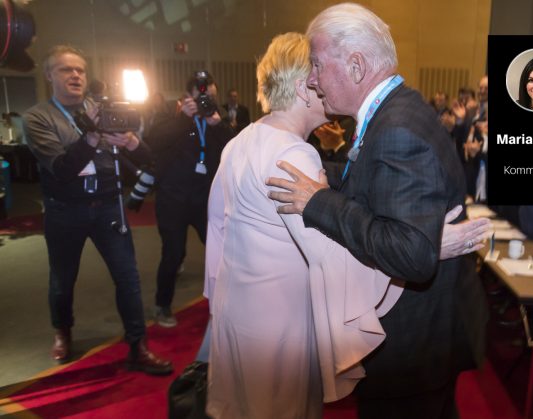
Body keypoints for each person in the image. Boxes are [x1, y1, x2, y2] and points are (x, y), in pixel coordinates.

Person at [266, 4, 491, 418]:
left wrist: (318, 202)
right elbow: (372, 177)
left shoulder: (397, 129)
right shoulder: (396, 109)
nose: (312, 79)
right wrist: (316, 170)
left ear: (355, 66)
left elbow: (410, 254)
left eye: (317, 65)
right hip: (429, 335)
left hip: (413, 345)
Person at [204, 32, 418, 418]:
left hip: (237, 314)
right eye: (324, 72)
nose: (333, 84)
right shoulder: (295, 153)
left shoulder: (241, 140)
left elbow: (217, 232)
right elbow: (331, 255)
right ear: (305, 86)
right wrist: (406, 249)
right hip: (277, 327)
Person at [22, 45, 172, 375]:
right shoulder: (37, 118)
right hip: (65, 211)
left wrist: (131, 142)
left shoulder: (103, 110)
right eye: (66, 70)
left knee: (128, 278)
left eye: (80, 70)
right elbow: (62, 169)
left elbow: (147, 158)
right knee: (62, 280)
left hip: (108, 207)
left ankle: (138, 346)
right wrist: (91, 136)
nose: (75, 75)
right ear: (49, 76)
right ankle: (63, 329)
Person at [144, 73, 233, 328]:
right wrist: (183, 118)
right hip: (173, 199)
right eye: (202, 97)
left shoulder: (215, 119)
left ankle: (228, 301)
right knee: (173, 253)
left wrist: (217, 124)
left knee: (221, 249)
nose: (206, 101)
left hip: (204, 198)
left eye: (211, 97)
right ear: (188, 96)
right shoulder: (171, 114)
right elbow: (154, 140)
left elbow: (234, 148)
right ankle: (162, 305)